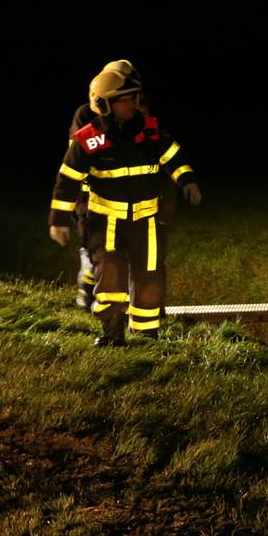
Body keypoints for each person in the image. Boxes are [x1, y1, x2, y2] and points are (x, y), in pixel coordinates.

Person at [48, 62, 202, 346]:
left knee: (151, 276)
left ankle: (146, 334)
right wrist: (59, 218)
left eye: (134, 97)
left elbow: (172, 154)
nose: (132, 104)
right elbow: (67, 178)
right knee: (110, 277)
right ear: (104, 104)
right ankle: (112, 332)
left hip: (147, 220)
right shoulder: (89, 138)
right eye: (124, 99)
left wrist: (187, 180)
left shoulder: (149, 129)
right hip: (105, 221)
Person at [67, 59, 144, 309]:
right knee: (93, 248)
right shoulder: (85, 116)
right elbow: (79, 159)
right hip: (89, 195)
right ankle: (87, 288)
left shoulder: (135, 113)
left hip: (124, 196)